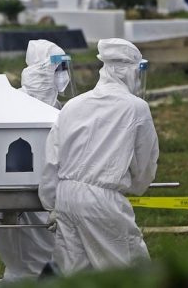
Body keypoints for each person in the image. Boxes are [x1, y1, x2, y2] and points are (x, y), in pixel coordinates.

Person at [39, 38, 159, 274]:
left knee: (74, 273)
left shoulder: (73, 105)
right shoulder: (135, 108)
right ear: (128, 71)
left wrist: (51, 202)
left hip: (66, 196)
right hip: (102, 199)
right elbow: (146, 161)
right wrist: (136, 186)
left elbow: (52, 159)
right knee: (128, 269)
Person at [0, 39, 74, 286]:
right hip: (18, 190)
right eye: (57, 69)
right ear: (43, 68)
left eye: (63, 69)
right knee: (24, 252)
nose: (62, 76)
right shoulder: (14, 102)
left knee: (50, 253)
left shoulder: (57, 106)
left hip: (50, 191)